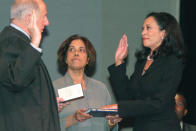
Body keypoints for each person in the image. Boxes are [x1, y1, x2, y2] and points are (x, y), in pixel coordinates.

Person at [102, 12, 186, 131]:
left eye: (148, 28)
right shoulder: (141, 62)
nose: (143, 33)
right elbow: (127, 97)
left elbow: (158, 103)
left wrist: (120, 108)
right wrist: (119, 62)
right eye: (142, 29)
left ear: (163, 33)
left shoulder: (173, 62)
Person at [0, 0, 62, 131]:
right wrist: (34, 44)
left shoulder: (19, 42)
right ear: (30, 18)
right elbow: (15, 80)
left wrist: (48, 102)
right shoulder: (10, 41)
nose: (47, 22)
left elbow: (23, 88)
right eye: (44, 16)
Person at [53, 34, 119, 131]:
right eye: (71, 49)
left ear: (88, 59)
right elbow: (46, 125)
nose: (76, 53)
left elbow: (106, 126)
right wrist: (74, 118)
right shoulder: (54, 88)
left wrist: (112, 122)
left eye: (81, 50)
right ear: (65, 58)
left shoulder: (101, 88)